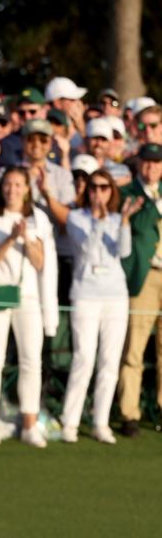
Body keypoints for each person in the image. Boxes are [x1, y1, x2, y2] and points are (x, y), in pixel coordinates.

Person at [55, 169, 139, 444]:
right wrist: (101, 221)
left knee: (109, 362)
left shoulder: (118, 219)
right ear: (87, 190)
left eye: (104, 188)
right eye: (94, 187)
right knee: (84, 358)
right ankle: (70, 422)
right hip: (86, 295)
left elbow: (123, 251)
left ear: (111, 191)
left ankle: (100, 422)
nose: (98, 192)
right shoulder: (77, 218)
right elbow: (88, 249)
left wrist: (124, 221)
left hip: (115, 296)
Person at [0, 166, 57, 447]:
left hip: (28, 297)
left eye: (18, 184)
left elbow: (40, 261)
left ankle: (29, 424)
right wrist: (10, 238)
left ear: (27, 188)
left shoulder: (38, 219)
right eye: (8, 184)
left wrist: (25, 237)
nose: (12, 189)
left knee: (31, 361)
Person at [116, 144, 162, 438]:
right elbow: (139, 224)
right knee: (134, 348)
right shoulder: (128, 192)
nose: (151, 168)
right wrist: (154, 206)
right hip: (144, 276)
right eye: (146, 163)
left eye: (156, 163)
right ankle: (129, 413)